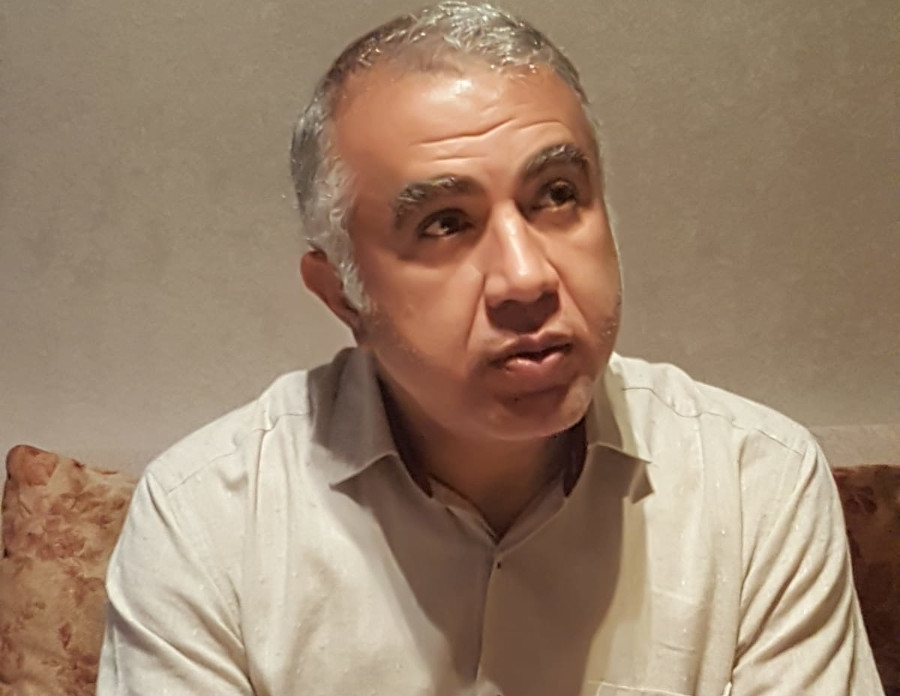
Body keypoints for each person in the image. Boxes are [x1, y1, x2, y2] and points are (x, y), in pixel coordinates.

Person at [97, 2, 883, 695]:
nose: (526, 277)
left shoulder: (755, 485)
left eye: (558, 196)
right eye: (444, 223)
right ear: (342, 295)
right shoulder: (207, 520)